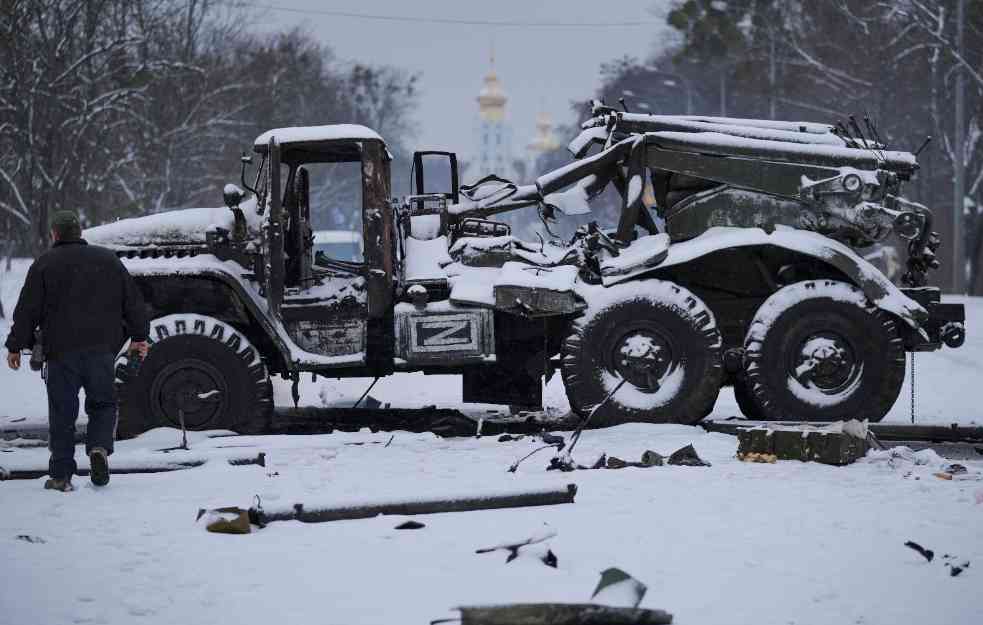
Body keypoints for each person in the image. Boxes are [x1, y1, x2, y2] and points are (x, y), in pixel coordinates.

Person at [5, 211, 150, 491]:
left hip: (60, 354)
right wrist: (139, 337)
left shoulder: (44, 264)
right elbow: (133, 302)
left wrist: (15, 345)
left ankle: (61, 475)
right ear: (80, 232)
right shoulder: (108, 260)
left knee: (62, 413)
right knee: (103, 404)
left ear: (55, 235)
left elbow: (28, 310)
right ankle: (98, 448)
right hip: (101, 351)